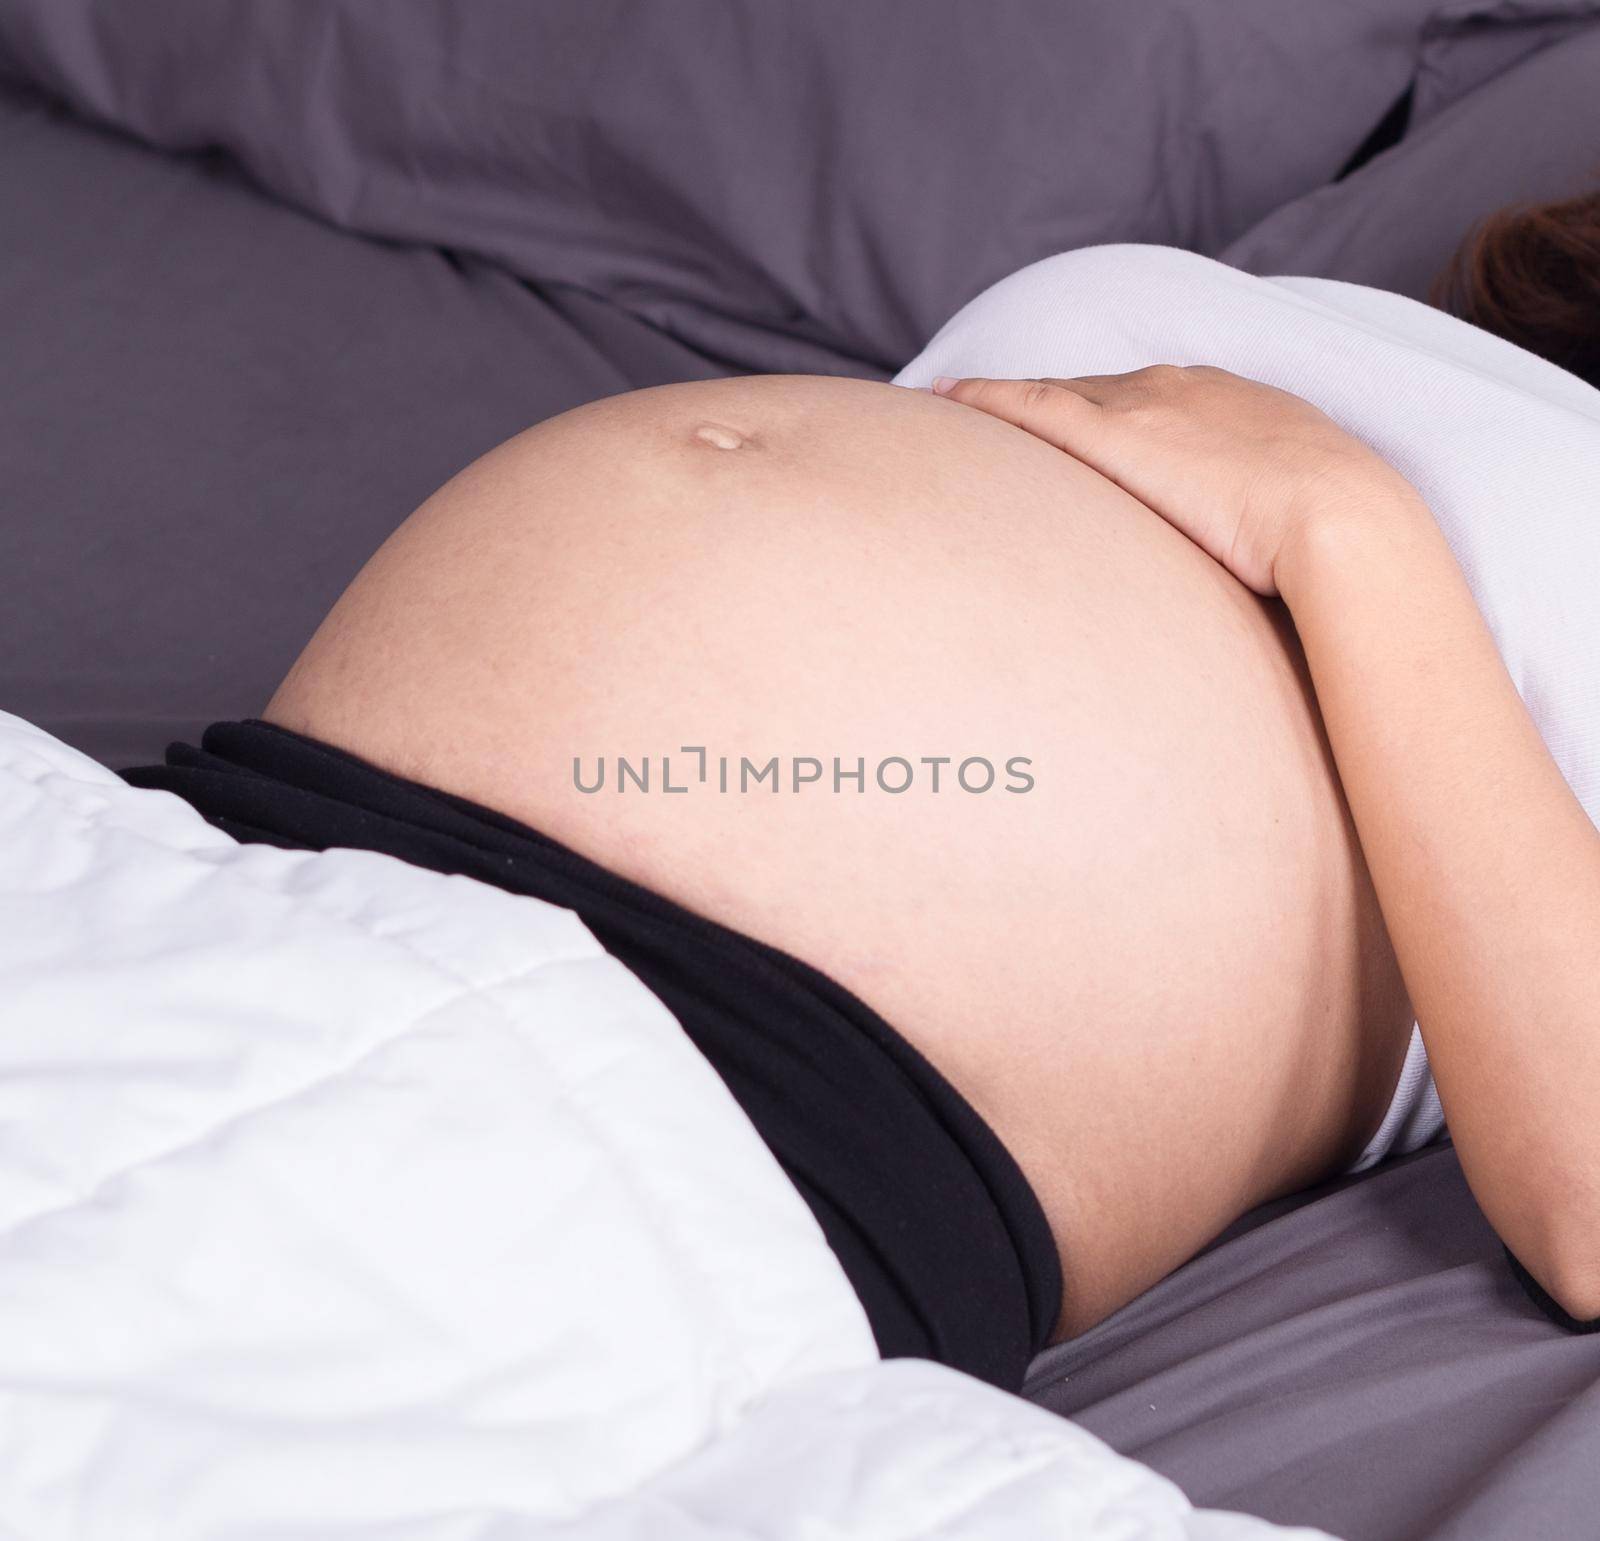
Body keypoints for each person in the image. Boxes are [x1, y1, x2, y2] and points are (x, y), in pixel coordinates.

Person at [123, 191, 1600, 1395]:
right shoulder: (1387, 323)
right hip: (280, 830)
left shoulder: (1376, 498)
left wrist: (1340, 523)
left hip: (766, 1083)